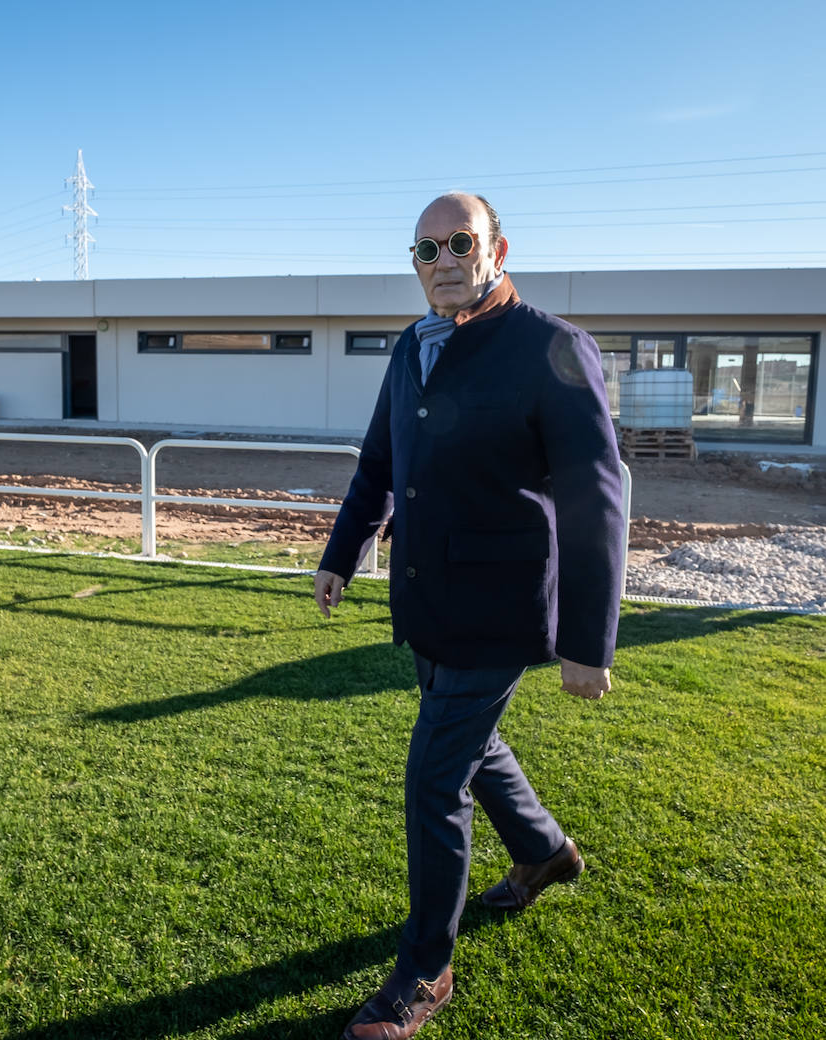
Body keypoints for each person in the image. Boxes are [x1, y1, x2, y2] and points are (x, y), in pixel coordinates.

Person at [314, 194, 623, 1040]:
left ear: (496, 248)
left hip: (503, 607)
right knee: (473, 746)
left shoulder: (552, 347)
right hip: (426, 597)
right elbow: (380, 462)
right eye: (425, 249)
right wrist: (343, 553)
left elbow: (598, 497)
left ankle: (425, 972)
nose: (443, 260)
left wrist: (587, 641)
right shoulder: (411, 347)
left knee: (432, 776)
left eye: (460, 243)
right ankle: (544, 852)